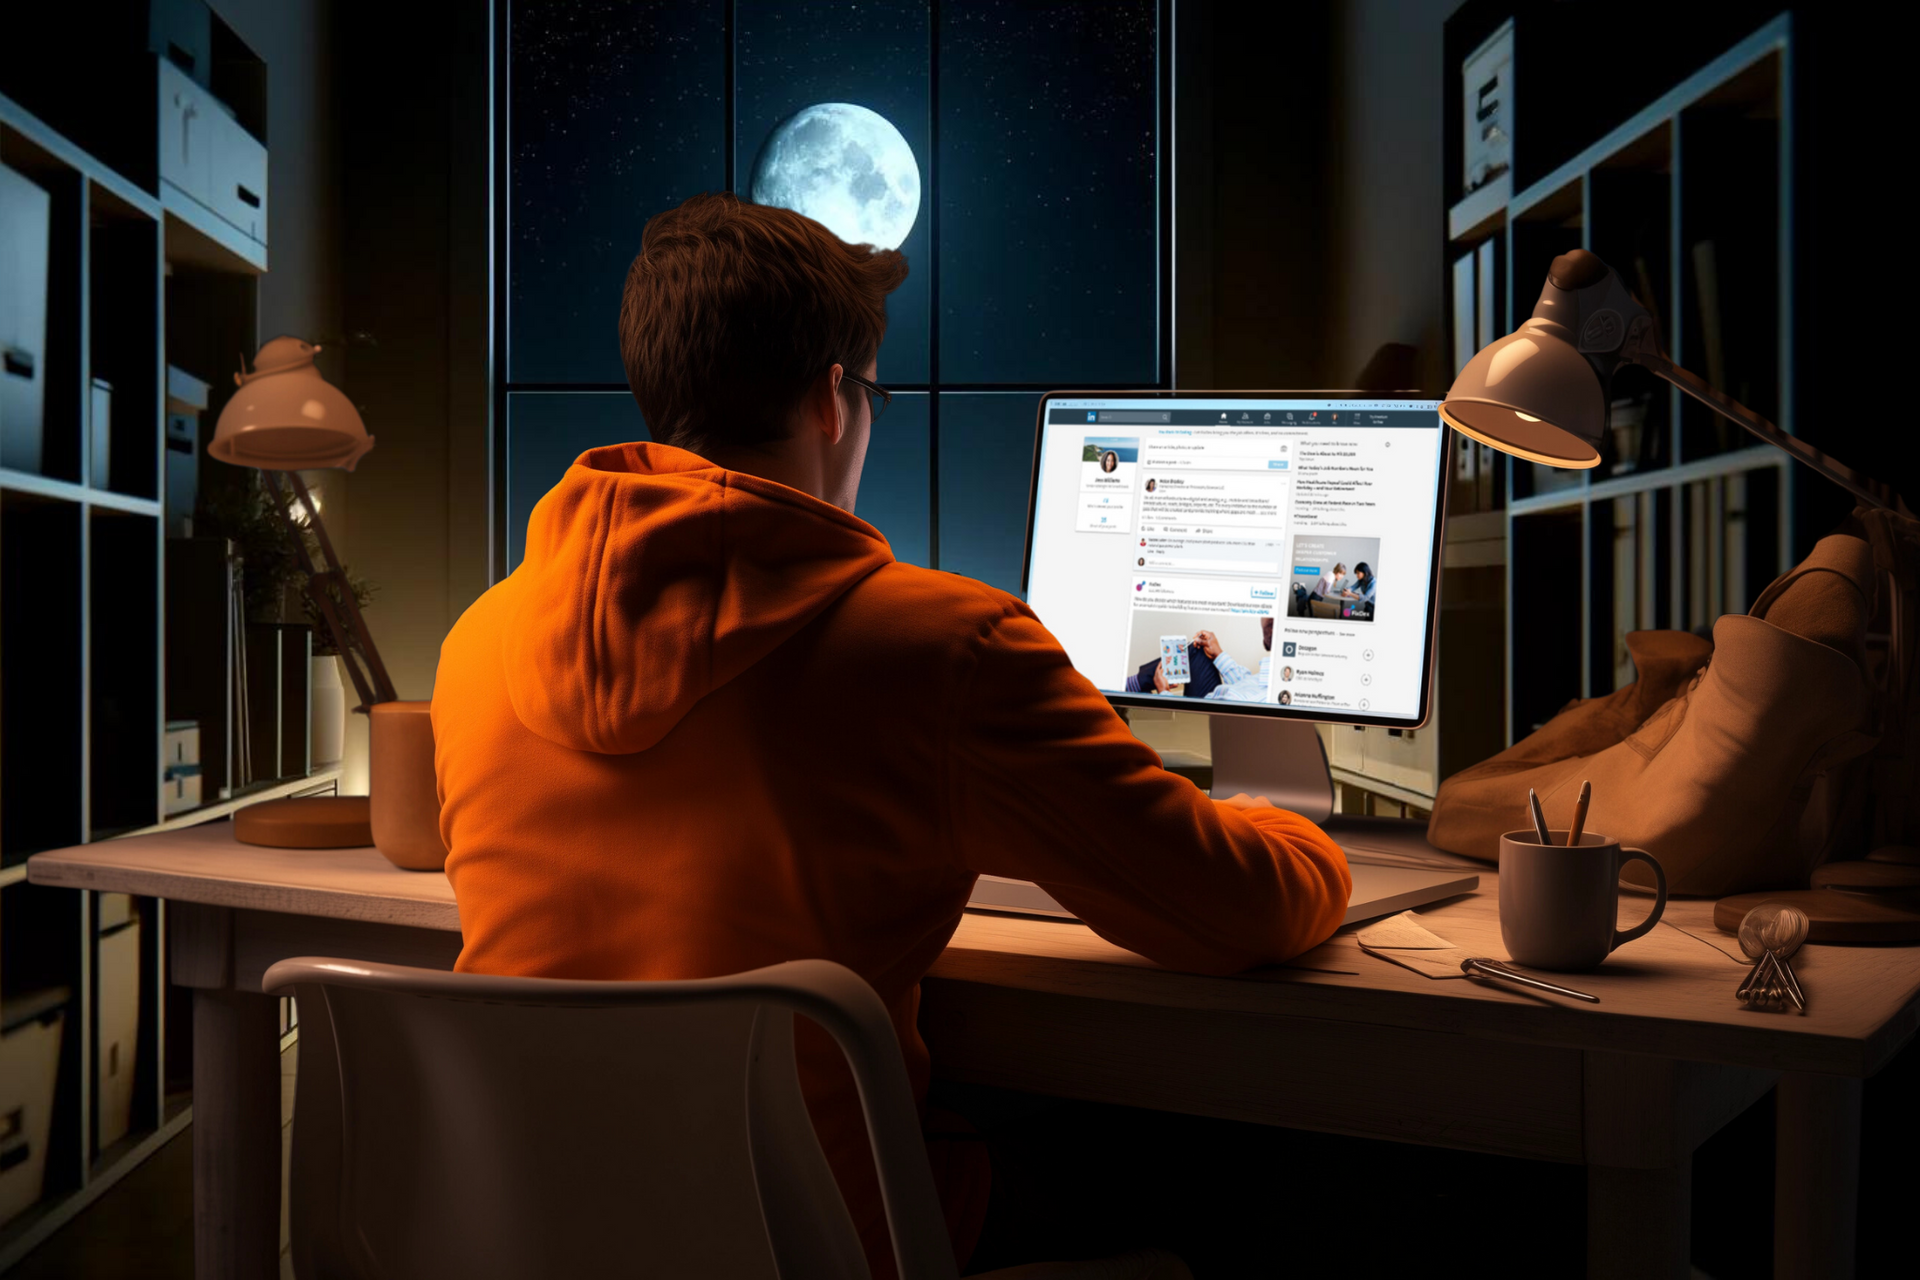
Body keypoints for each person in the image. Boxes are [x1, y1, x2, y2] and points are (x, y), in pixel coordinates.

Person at [431, 193, 1347, 1280]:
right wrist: (1303, 842)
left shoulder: (477, 641)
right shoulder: (946, 646)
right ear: (833, 399)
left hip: (532, 1231)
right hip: (819, 1242)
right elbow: (1228, 909)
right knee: (1279, 1167)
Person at [1193, 618, 1276, 703]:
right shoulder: (1271, 680)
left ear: (1272, 630)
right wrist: (1218, 654)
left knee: (1193, 651)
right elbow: (1247, 684)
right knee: (1198, 652)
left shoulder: (1240, 700)